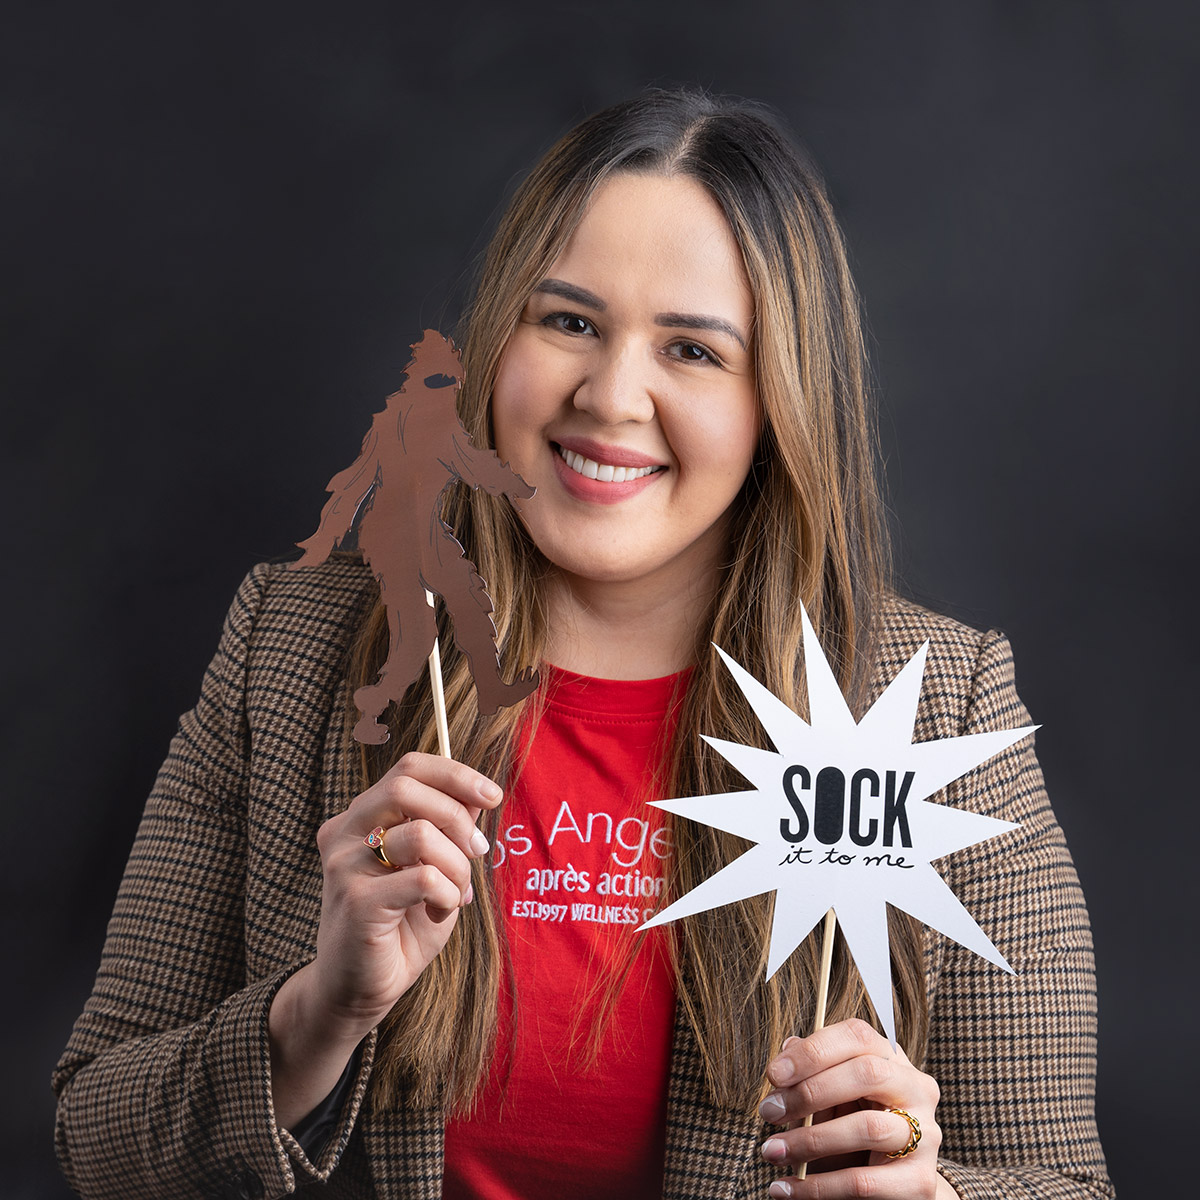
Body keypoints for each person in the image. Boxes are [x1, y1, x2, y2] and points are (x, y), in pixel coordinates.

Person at [53, 90, 1113, 1200]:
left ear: (780, 407)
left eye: (694, 350)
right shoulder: (297, 649)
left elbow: (1064, 1183)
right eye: (567, 321)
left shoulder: (936, 707)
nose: (609, 396)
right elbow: (96, 1142)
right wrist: (319, 1014)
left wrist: (927, 1194)